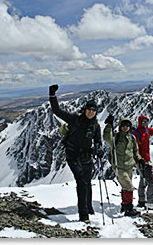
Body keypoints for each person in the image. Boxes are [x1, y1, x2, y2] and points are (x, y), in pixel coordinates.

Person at [49, 84, 104, 223]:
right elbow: (57, 111)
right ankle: (83, 214)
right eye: (89, 109)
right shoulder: (75, 120)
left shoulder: (95, 126)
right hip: (73, 156)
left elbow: (98, 141)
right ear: (84, 109)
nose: (91, 112)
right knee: (82, 182)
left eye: (94, 110)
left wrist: (99, 150)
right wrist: (52, 95)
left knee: (87, 183)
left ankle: (89, 207)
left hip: (87, 157)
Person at [103, 115, 145, 216]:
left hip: (129, 166)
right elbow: (106, 137)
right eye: (123, 125)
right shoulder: (115, 137)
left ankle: (124, 205)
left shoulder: (132, 138)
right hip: (119, 167)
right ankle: (128, 208)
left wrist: (139, 159)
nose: (125, 127)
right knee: (129, 187)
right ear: (120, 126)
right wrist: (109, 125)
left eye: (127, 125)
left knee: (125, 188)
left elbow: (135, 151)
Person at [132, 114, 153, 210]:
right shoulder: (136, 134)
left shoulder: (147, 131)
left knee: (143, 180)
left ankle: (141, 201)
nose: (145, 123)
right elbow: (134, 149)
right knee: (152, 181)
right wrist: (139, 160)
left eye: (146, 121)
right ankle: (149, 202)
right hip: (141, 161)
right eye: (143, 122)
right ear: (139, 122)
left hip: (147, 160)